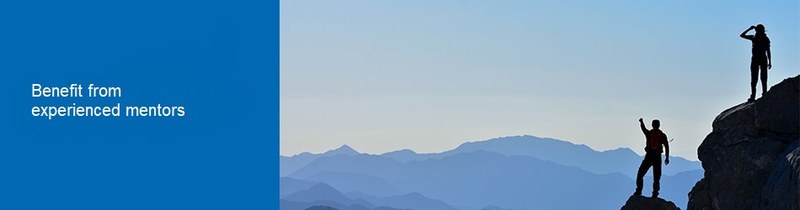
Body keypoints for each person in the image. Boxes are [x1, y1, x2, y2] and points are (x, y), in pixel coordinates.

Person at [634, 118, 669, 198]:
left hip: (649, 156)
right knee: (656, 177)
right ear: (659, 125)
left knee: (640, 174)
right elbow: (667, 146)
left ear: (652, 125)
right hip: (657, 157)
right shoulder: (662, 135)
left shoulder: (649, 133)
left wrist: (641, 122)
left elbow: (643, 129)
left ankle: (638, 191)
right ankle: (655, 194)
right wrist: (667, 157)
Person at [740, 24, 772, 102]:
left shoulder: (765, 39)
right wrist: (750, 28)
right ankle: (753, 96)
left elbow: (768, 51)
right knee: (754, 79)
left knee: (763, 77)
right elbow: (742, 35)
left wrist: (770, 61)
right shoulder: (754, 38)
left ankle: (764, 93)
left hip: (762, 59)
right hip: (755, 59)